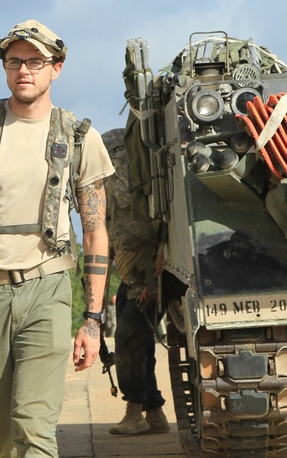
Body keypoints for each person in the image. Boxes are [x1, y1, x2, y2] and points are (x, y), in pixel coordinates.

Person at [0, 19, 114, 458]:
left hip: (46, 290)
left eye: (35, 61)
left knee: (34, 429)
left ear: (57, 67)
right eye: (15, 61)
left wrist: (92, 319)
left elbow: (95, 230)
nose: (24, 70)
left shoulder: (77, 136)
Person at [101, 128, 170, 436]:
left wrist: (154, 277)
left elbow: (161, 226)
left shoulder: (148, 178)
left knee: (128, 343)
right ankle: (154, 412)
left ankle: (135, 412)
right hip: (130, 275)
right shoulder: (106, 186)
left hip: (147, 275)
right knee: (141, 346)